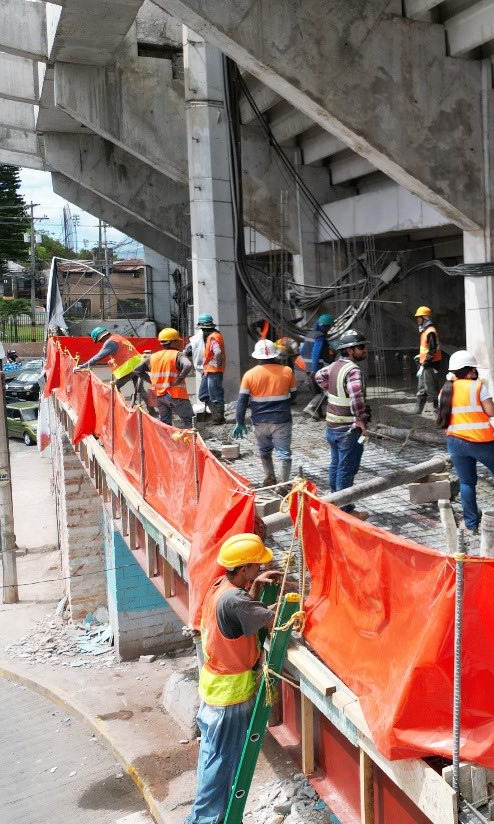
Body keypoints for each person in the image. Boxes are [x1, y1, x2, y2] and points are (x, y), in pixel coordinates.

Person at [186, 533, 282, 824]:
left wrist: (255, 589)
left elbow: (238, 612)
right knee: (222, 762)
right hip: (230, 695)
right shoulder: (236, 600)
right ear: (243, 570)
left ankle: (203, 818)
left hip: (214, 687)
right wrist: (288, 602)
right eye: (256, 567)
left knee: (212, 756)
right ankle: (205, 821)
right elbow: (274, 620)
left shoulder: (220, 586)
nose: (259, 570)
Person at [438, 349, 494, 533]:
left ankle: (471, 524)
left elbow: (444, 419)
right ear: (469, 370)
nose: (476, 372)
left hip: (456, 443)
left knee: (467, 483)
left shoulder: (445, 390)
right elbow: (491, 411)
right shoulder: (477, 387)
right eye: (473, 368)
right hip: (483, 443)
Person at [232, 339, 297, 487]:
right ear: (275, 354)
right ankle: (282, 485)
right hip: (282, 420)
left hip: (259, 421)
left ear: (257, 356)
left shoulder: (249, 375)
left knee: (264, 451)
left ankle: (269, 478)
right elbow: (294, 396)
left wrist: (239, 422)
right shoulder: (287, 371)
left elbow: (242, 401)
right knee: (284, 454)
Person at [313, 329, 370, 497]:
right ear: (349, 350)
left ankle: (334, 502)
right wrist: (360, 419)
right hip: (348, 428)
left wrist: (331, 393)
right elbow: (357, 395)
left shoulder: (334, 366)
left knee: (336, 465)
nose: (364, 350)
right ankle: (345, 510)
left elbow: (318, 376)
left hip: (332, 426)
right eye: (360, 347)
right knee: (346, 469)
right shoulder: (353, 370)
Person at [75, 326, 147, 395]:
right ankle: (151, 407)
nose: (100, 342)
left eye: (99, 341)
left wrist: (82, 366)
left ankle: (119, 407)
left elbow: (98, 357)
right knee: (140, 390)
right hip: (139, 364)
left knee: (113, 389)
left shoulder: (110, 342)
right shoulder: (116, 337)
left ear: (100, 338)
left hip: (129, 368)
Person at [148, 327, 194, 427]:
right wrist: (179, 380)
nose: (179, 343)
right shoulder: (177, 355)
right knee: (188, 421)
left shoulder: (153, 356)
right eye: (177, 341)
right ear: (172, 342)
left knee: (165, 425)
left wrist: (152, 381)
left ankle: (166, 442)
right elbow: (188, 365)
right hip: (176, 395)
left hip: (159, 396)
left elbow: (138, 370)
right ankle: (190, 441)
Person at [196, 314, 227, 424]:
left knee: (216, 395)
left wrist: (216, 363)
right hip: (208, 370)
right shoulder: (212, 336)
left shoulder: (213, 337)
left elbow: (217, 352)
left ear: (204, 328)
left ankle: (218, 418)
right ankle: (216, 414)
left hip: (214, 371)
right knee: (203, 394)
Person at [414, 305, 444, 414]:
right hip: (425, 364)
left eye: (419, 318)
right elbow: (426, 349)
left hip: (431, 365)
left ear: (425, 318)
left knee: (432, 390)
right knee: (421, 388)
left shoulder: (430, 331)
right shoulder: (425, 330)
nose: (417, 320)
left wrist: (425, 364)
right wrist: (420, 356)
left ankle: (439, 413)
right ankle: (418, 411)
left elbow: (432, 350)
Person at [303, 314, 336, 379]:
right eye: (330, 327)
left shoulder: (309, 334)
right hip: (317, 369)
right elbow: (315, 353)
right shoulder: (319, 336)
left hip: (307, 368)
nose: (329, 329)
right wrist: (314, 370)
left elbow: (302, 351)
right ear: (326, 326)